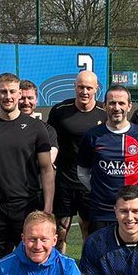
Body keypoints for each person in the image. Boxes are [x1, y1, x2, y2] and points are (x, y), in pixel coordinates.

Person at [0, 73, 55, 275]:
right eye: (3, 92)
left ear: (19, 94)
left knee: (33, 259)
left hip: (27, 205)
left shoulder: (36, 127)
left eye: (12, 92)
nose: (8, 96)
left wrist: (48, 205)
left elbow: (46, 169)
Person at [76, 85, 138, 231]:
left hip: (132, 212)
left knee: (132, 253)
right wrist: (97, 189)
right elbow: (82, 171)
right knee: (101, 253)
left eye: (121, 103)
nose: (116, 108)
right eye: (112, 103)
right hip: (101, 212)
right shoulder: (92, 136)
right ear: (104, 106)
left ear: (129, 106)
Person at [47, 70, 105, 253]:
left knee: (89, 230)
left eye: (89, 88)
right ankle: (59, 269)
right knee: (61, 230)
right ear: (74, 87)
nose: (84, 92)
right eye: (80, 87)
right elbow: (50, 140)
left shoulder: (104, 113)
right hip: (64, 181)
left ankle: (87, 270)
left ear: (96, 89)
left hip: (91, 183)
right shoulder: (59, 111)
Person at [18, 79, 58, 162]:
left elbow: (49, 160)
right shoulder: (5, 126)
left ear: (36, 100)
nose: (26, 102)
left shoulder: (47, 130)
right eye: (22, 98)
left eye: (30, 98)